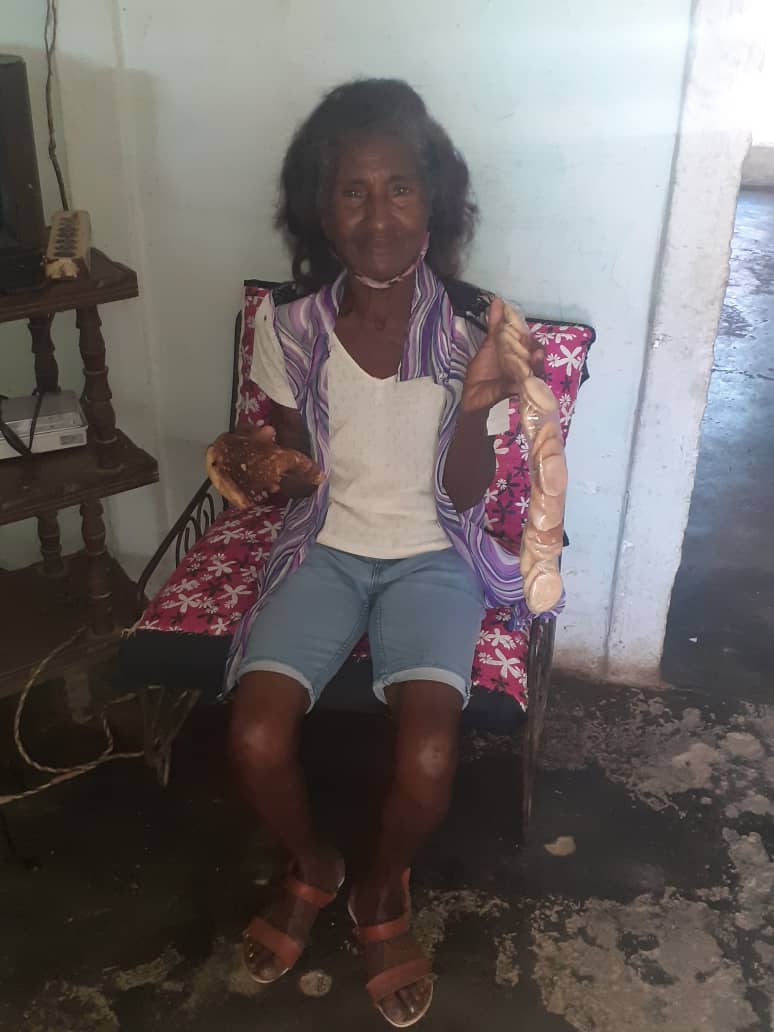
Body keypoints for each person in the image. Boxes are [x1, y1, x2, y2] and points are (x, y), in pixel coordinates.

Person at [207, 78, 549, 1028]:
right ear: (321, 210)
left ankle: (382, 883)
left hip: (434, 551)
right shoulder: (289, 324)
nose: (378, 215)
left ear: (434, 199)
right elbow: (300, 472)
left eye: (399, 187)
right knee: (254, 735)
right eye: (352, 191)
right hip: (325, 545)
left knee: (431, 753)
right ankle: (314, 864)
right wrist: (261, 466)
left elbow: (468, 498)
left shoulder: (479, 328)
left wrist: (475, 405)